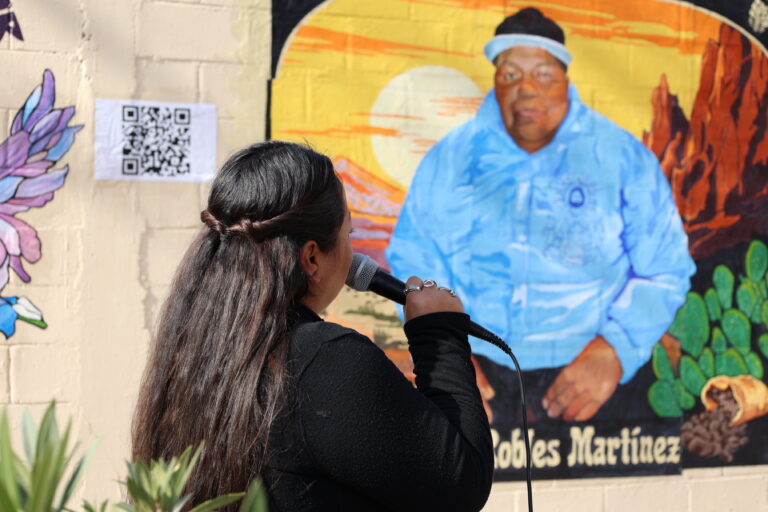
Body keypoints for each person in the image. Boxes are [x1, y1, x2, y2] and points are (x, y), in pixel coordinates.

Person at [131, 141, 493, 511]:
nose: (355, 256)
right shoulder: (326, 361)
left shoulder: (195, 348)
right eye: (348, 235)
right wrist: (439, 336)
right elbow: (461, 484)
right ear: (311, 258)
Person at [386, 8, 696, 423]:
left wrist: (616, 348)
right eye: (510, 74)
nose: (526, 89)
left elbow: (665, 269)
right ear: (495, 82)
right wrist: (445, 353)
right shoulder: (451, 159)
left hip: (594, 369)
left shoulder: (622, 157)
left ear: (566, 80)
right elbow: (414, 258)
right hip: (477, 367)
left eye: (543, 74)